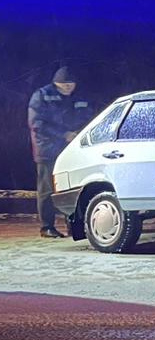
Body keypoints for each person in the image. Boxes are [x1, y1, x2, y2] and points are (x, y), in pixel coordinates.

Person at [27, 66, 93, 238]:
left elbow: (90, 118)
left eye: (70, 84)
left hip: (72, 150)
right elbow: (37, 124)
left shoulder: (80, 97)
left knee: (72, 188)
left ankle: (74, 227)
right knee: (47, 190)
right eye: (63, 84)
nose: (67, 87)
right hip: (48, 150)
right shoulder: (41, 96)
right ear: (55, 83)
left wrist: (79, 134)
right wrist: (64, 135)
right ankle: (47, 227)